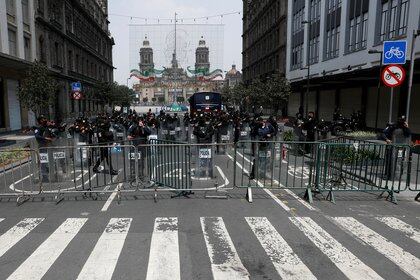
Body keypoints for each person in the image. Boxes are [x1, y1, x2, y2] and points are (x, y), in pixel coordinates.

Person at [382, 116, 412, 181]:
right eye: (400, 120)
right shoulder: (393, 126)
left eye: (402, 120)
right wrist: (387, 139)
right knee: (389, 161)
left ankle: (398, 176)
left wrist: (407, 127)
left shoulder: (405, 128)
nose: (401, 122)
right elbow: (383, 133)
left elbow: (409, 134)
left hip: (401, 148)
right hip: (391, 146)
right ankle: (387, 175)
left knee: (400, 162)